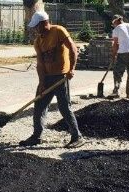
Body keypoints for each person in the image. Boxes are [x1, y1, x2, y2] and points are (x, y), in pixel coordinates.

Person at [19, 11, 86, 149]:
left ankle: (77, 137)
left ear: (44, 23)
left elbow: (73, 48)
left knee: (64, 107)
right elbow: (40, 64)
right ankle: (36, 136)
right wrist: (42, 83)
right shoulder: (38, 41)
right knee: (39, 106)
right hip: (47, 78)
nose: (35, 29)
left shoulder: (58, 31)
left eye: (37, 26)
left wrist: (71, 69)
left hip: (61, 77)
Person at [109, 14, 129, 99]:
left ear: (116, 21)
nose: (113, 25)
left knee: (117, 72)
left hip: (122, 53)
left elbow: (115, 44)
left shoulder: (117, 29)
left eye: (113, 23)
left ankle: (116, 91)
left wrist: (113, 55)